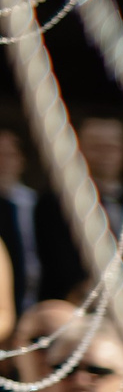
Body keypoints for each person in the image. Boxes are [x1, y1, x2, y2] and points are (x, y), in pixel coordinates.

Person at [0, 126, 77, 309]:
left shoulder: (39, 204)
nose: (3, 161)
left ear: (22, 159)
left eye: (9, 154)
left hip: (41, 296)